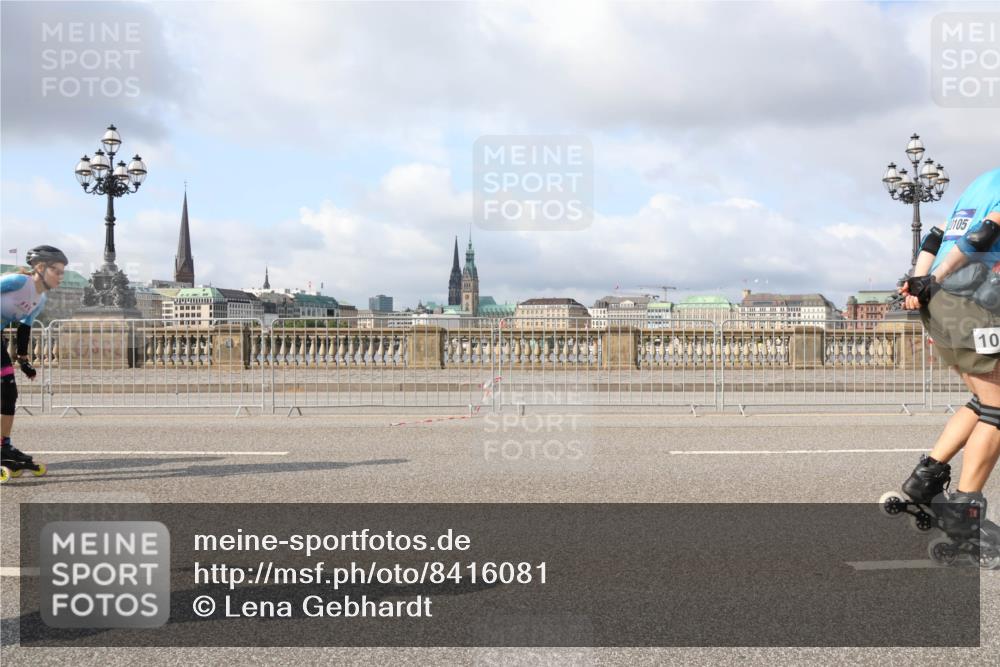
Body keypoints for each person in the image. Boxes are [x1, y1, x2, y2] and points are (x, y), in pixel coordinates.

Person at [896, 167, 1000, 547]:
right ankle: (963, 513)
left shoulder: (984, 181)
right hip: (971, 302)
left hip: (940, 304)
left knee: (983, 401)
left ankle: (925, 480)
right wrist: (935, 278)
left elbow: (936, 234)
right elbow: (983, 235)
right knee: (999, 409)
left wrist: (919, 283)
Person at [0, 245, 68, 481]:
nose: (61, 276)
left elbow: (24, 328)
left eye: (63, 272)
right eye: (57, 271)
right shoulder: (18, 282)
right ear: (40, 267)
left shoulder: (39, 299)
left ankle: (3, 446)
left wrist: (23, 360)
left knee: (8, 391)